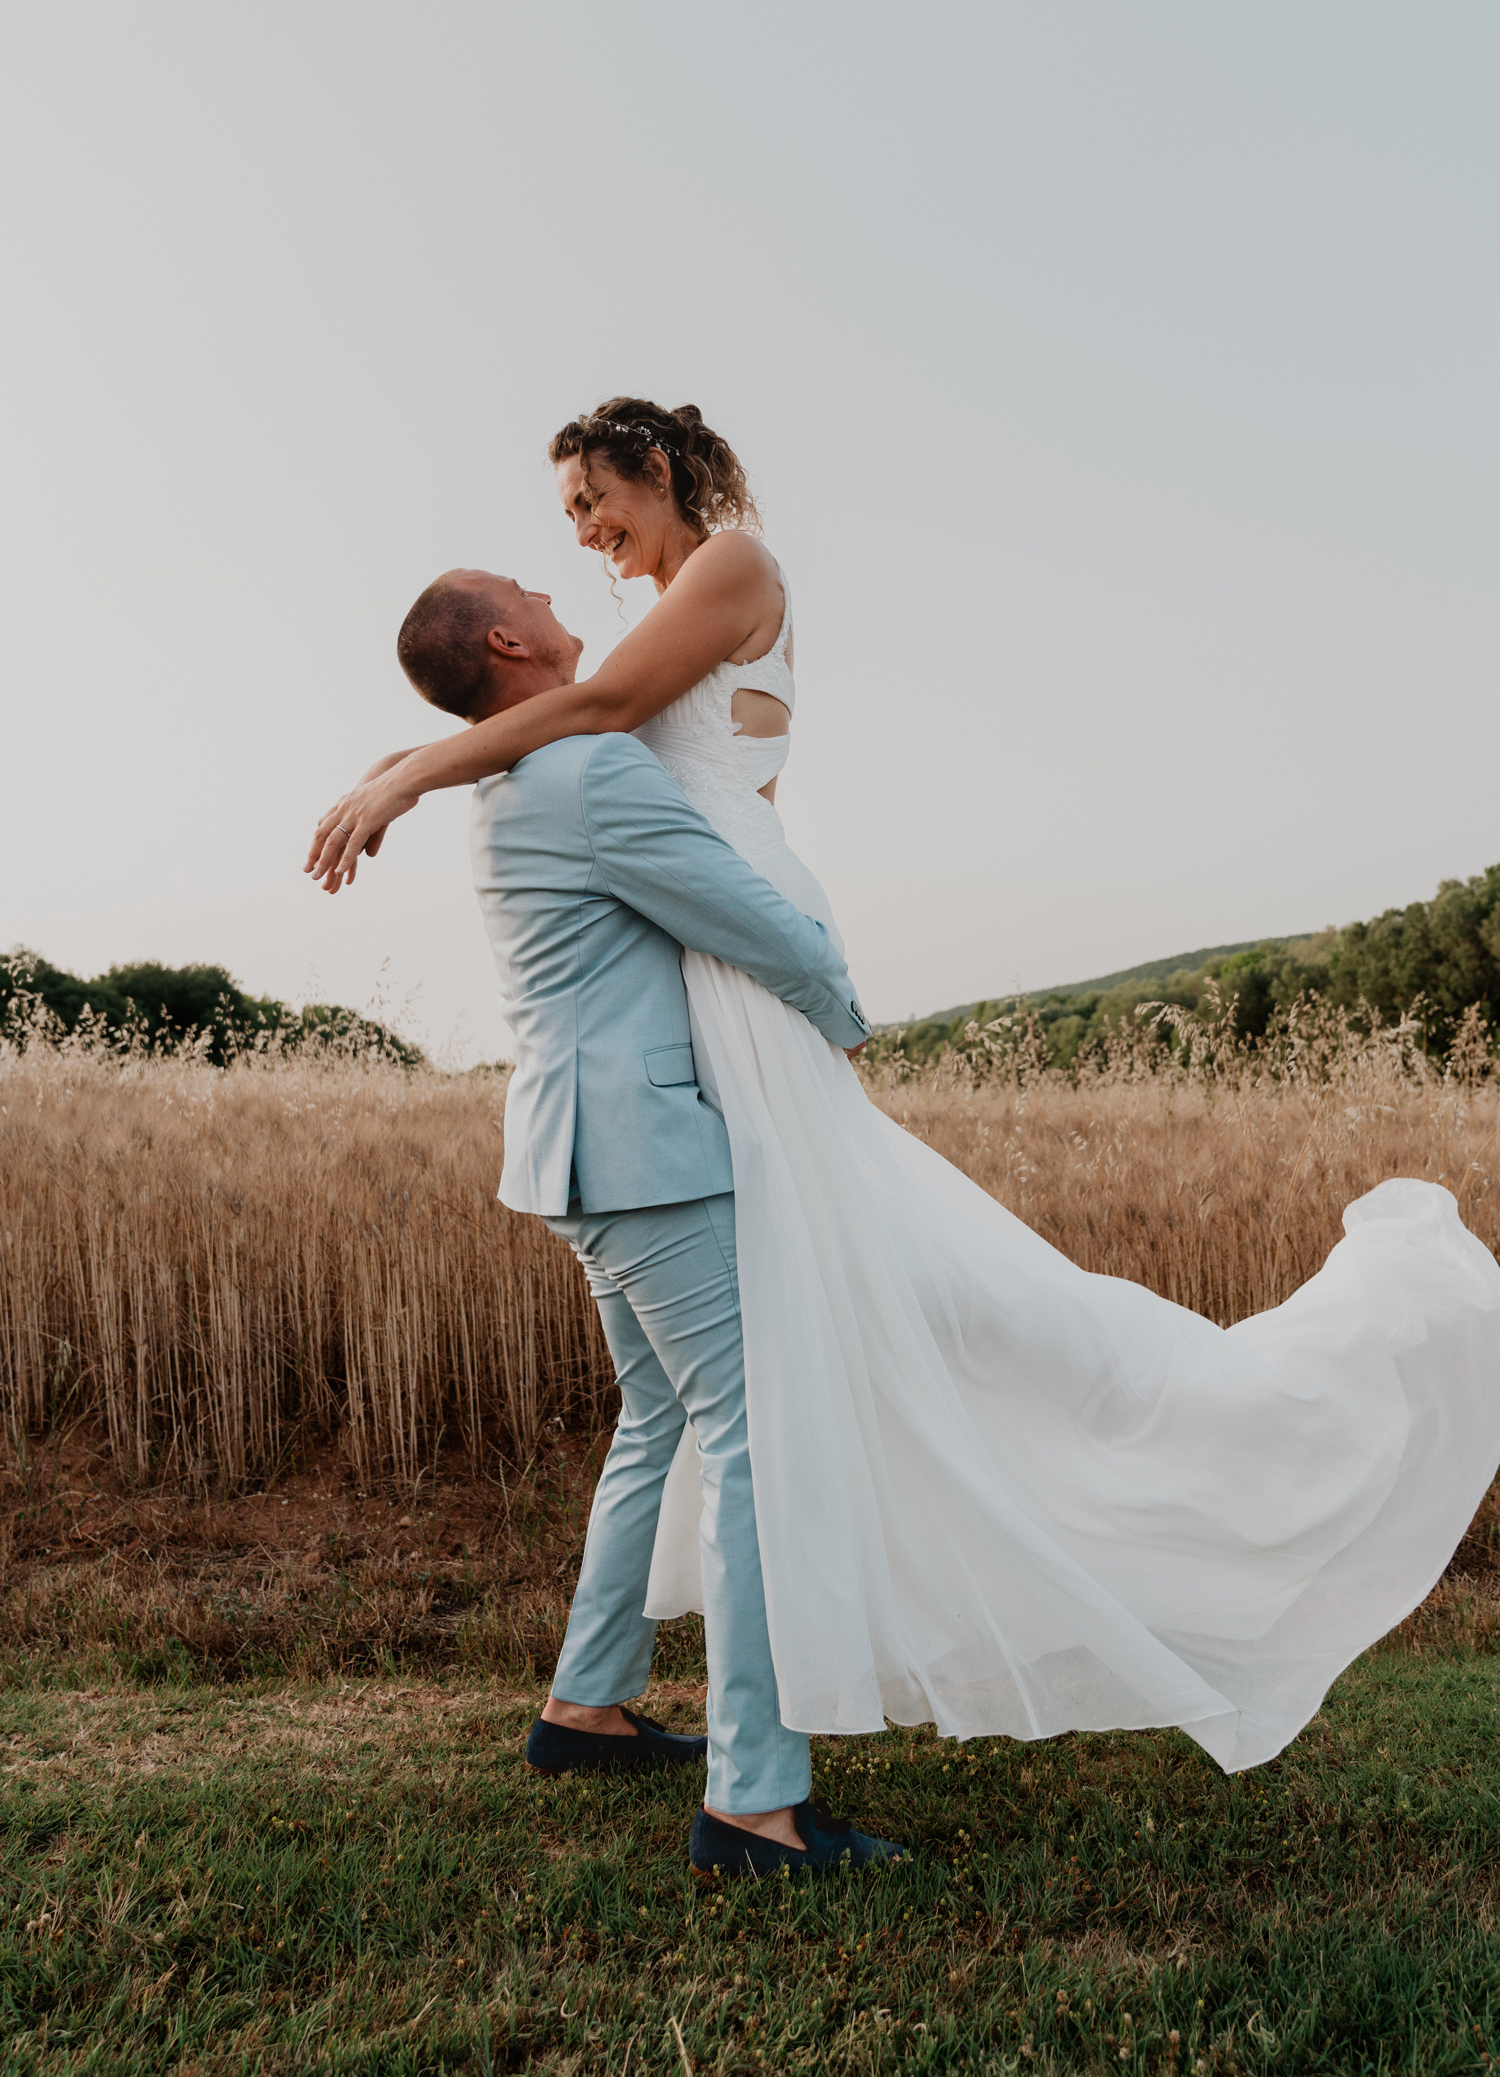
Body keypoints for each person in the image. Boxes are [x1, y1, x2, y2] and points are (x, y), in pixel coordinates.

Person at [309, 397, 1500, 1780]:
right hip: (701, 990)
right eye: (562, 528)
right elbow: (575, 725)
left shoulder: (730, 566)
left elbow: (594, 712)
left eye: (591, 501)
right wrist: (420, 762)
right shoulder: (594, 709)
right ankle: (658, 1737)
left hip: (717, 968)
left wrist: (403, 770)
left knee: (787, 1347)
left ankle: (646, 1708)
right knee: (716, 1399)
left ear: (655, 466)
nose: (577, 538)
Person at [387, 566, 904, 1878]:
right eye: (528, 590)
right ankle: (756, 1803)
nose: (558, 588)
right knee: (749, 1439)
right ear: (509, 638)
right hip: (649, 1156)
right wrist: (843, 1009)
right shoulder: (589, 776)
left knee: (660, 1418)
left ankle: (587, 1699)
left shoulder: (509, 783)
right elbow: (739, 918)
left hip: (578, 1154)